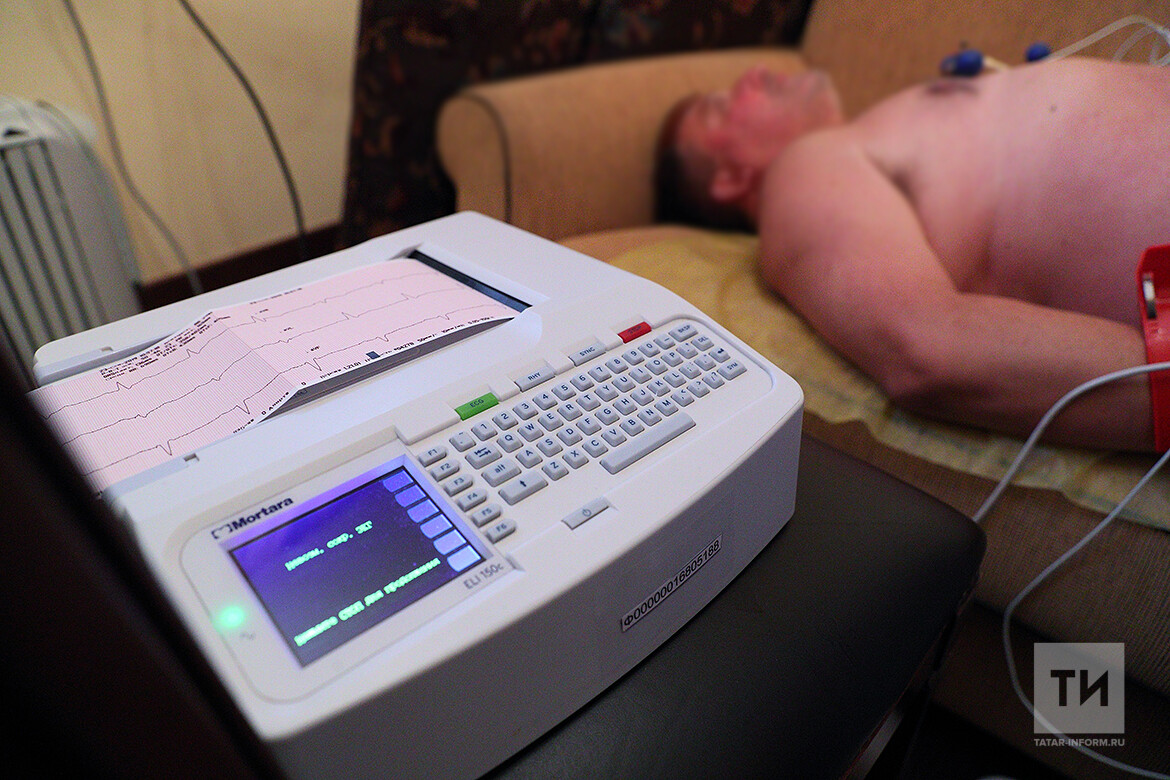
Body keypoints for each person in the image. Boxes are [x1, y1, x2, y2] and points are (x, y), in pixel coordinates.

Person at [656, 59, 1170, 451]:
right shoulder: (802, 169)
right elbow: (928, 347)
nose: (754, 73)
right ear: (730, 178)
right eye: (722, 106)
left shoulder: (875, 137)